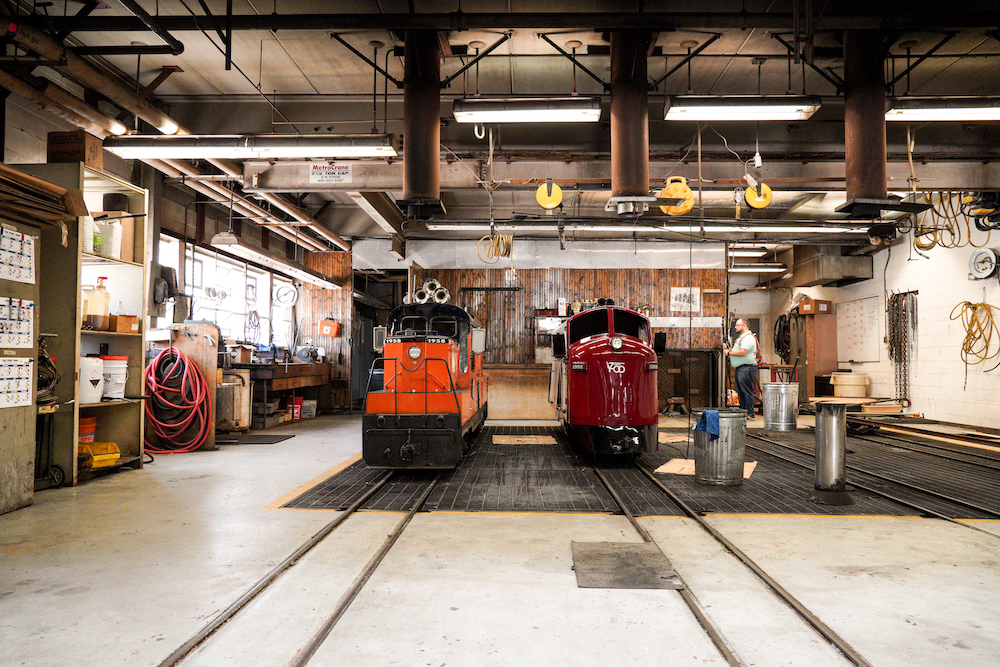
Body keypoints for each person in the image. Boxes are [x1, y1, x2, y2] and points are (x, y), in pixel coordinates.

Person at [724, 318, 759, 419]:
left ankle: (749, 413)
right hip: (741, 368)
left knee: (746, 391)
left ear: (744, 326)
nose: (735, 327)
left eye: (738, 325)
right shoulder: (742, 338)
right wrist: (727, 349)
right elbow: (738, 350)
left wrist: (729, 353)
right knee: (741, 391)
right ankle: (743, 411)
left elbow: (743, 352)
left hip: (746, 368)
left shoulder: (748, 338)